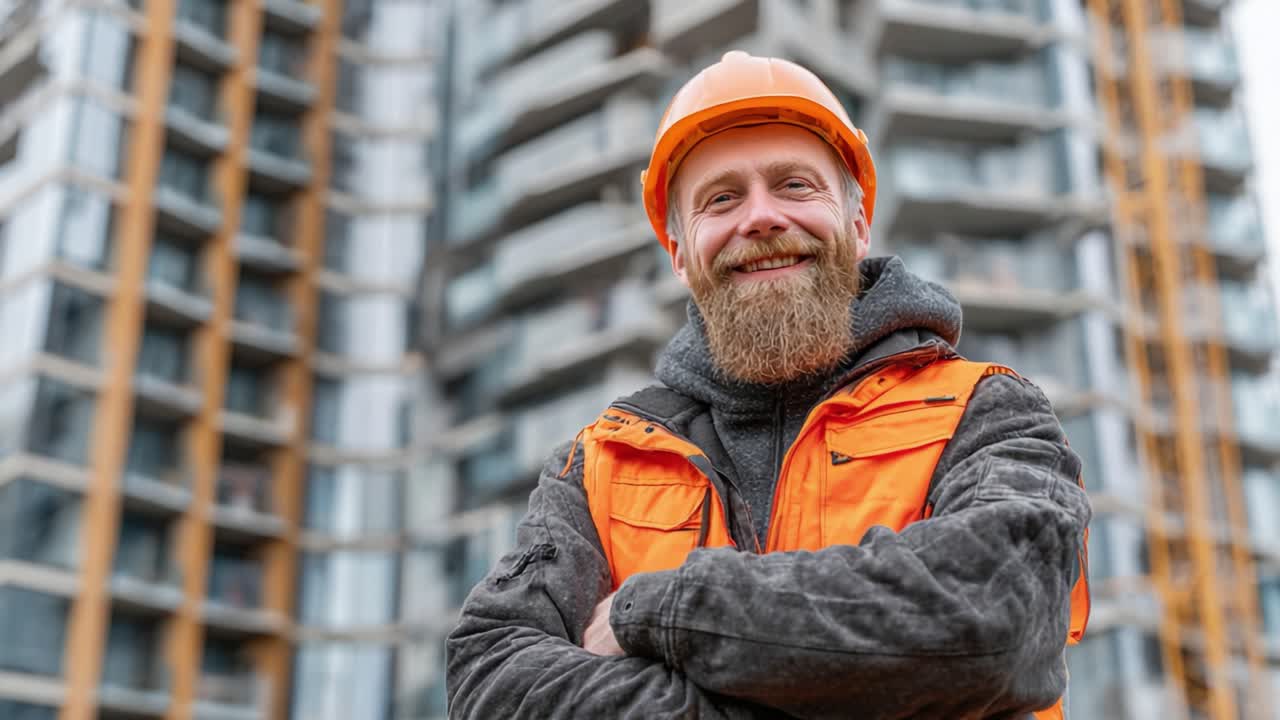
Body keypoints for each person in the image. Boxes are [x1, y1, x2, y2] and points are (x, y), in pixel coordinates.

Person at [447, 50, 1091, 719]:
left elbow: (994, 618)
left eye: (794, 186)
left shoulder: (987, 410)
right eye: (722, 199)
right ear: (679, 254)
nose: (759, 217)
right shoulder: (599, 465)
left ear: (858, 224)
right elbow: (491, 679)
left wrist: (665, 611)